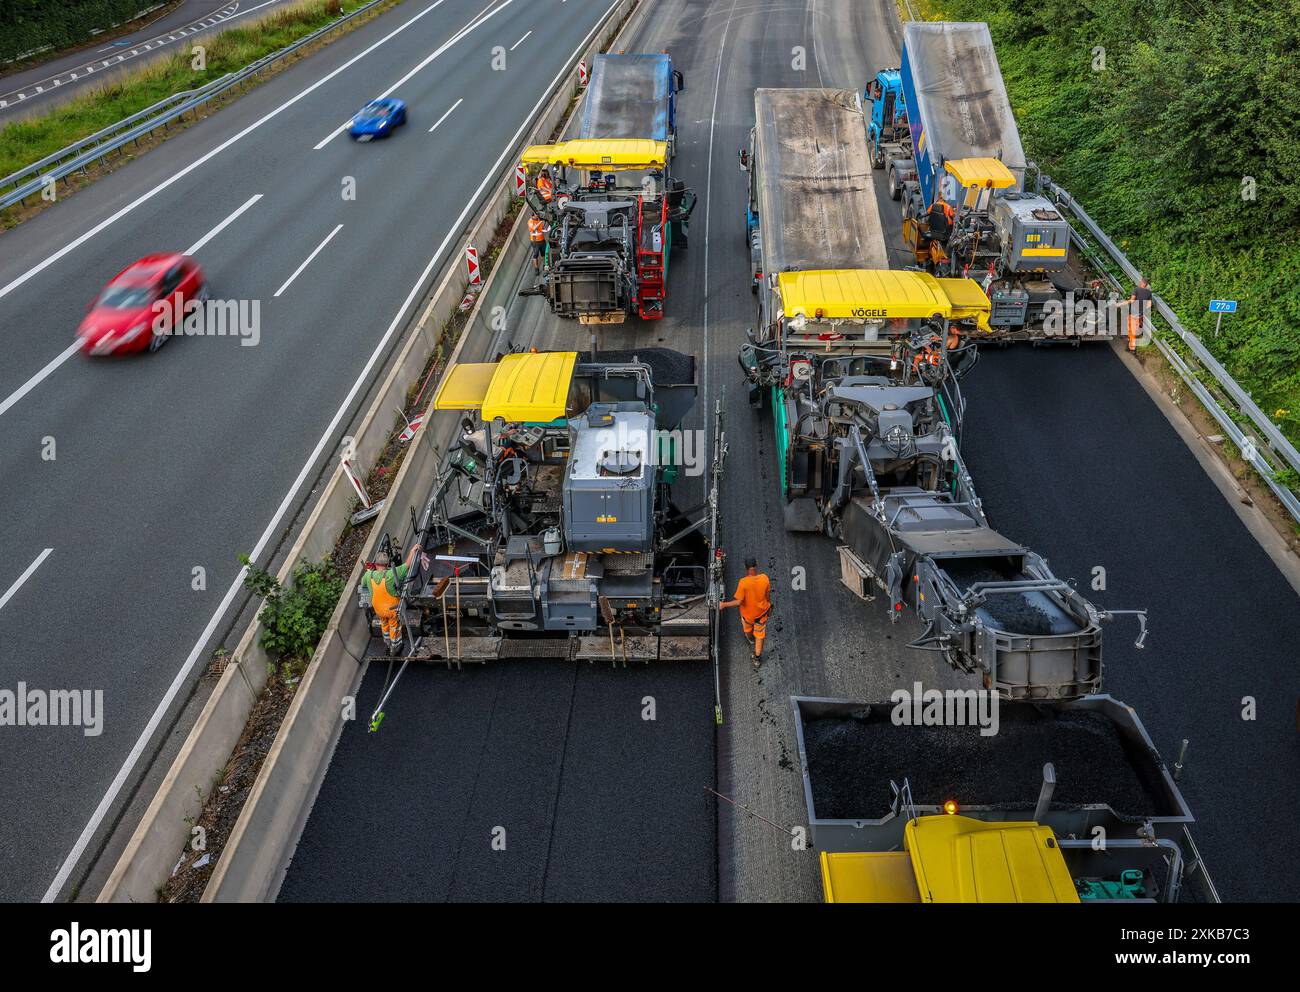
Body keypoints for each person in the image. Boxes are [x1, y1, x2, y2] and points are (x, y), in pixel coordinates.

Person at [362, 543, 427, 654]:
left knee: (384, 624)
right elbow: (407, 565)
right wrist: (413, 550)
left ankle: (387, 642)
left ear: (376, 565)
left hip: (378, 610)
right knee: (394, 626)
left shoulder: (368, 575)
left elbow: (363, 586)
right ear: (387, 565)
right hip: (391, 609)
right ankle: (395, 646)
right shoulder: (391, 574)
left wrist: (369, 573)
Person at [720, 556, 773, 668]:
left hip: (748, 616)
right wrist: (768, 605)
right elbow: (768, 596)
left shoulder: (743, 583)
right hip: (762, 615)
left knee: (748, 630)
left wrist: (724, 605)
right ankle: (757, 658)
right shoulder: (764, 578)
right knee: (760, 636)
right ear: (756, 565)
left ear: (746, 568)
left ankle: (750, 639)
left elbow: (739, 602)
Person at [1128, 276, 1152, 353]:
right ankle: (1132, 339)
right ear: (1146, 284)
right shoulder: (1149, 293)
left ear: (1141, 282)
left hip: (1133, 312)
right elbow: (1149, 305)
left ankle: (1132, 348)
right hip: (1140, 314)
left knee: (1132, 330)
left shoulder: (1136, 289)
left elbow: (1132, 300)